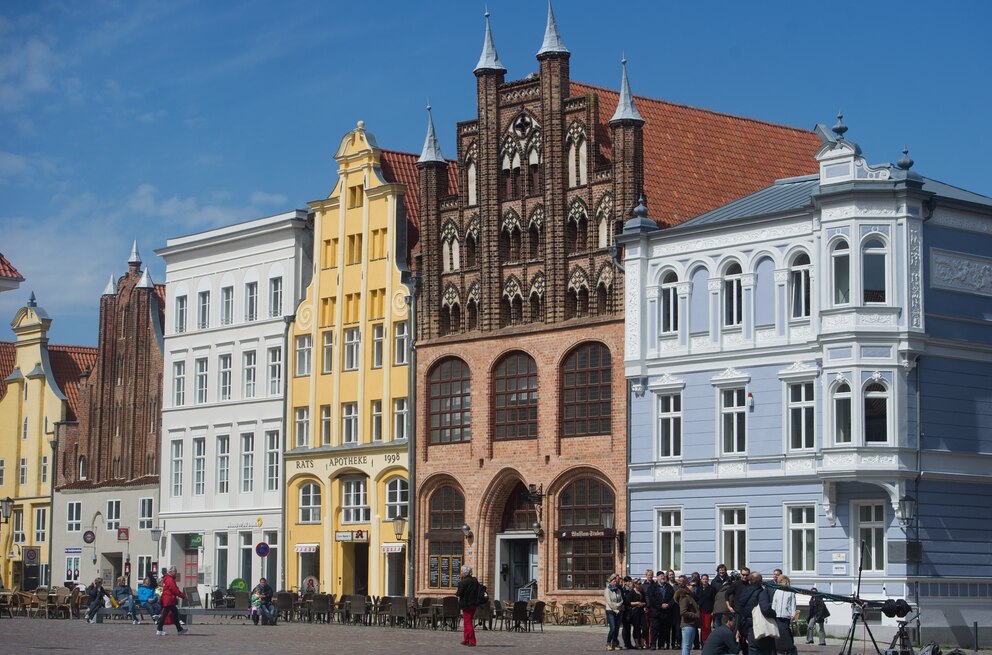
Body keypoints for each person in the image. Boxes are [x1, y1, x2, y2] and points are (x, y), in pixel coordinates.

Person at [736, 572, 776, 655]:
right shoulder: (761, 592)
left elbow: (740, 611)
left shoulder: (744, 592)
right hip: (761, 628)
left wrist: (740, 629)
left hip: (748, 628)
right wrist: (774, 614)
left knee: (753, 651)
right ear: (761, 581)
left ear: (749, 581)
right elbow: (765, 610)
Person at [156, 567, 188, 636]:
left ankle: (179, 629)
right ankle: (159, 629)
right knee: (165, 615)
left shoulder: (168, 579)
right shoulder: (170, 580)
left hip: (170, 600)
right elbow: (174, 590)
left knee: (175, 614)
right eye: (175, 571)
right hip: (169, 599)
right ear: (171, 572)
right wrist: (183, 596)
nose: (176, 573)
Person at [455, 564, 481, 647]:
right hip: (474, 604)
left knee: (468, 622)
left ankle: (472, 641)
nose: (461, 573)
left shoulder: (462, 582)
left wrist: (457, 592)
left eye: (462, 571)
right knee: (467, 622)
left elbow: (459, 594)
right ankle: (466, 639)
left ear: (465, 572)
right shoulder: (475, 581)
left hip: (466, 604)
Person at [771, 575, 797, 655]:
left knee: (786, 631)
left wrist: (793, 614)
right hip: (777, 615)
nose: (783, 584)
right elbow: (774, 602)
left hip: (786, 615)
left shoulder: (790, 592)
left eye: (784, 582)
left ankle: (788, 646)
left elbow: (793, 603)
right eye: (781, 582)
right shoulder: (777, 591)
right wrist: (772, 612)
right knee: (778, 632)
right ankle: (779, 648)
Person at [676, 579, 702, 655]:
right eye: (693, 585)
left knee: (688, 646)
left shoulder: (690, 596)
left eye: (695, 586)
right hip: (687, 624)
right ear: (687, 585)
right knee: (686, 646)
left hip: (692, 624)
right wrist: (696, 615)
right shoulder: (684, 597)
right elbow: (683, 612)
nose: (694, 587)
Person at [604, 574, 624, 650]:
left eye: (616, 581)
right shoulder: (607, 590)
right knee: (612, 628)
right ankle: (608, 643)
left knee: (617, 629)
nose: (615, 583)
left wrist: (618, 605)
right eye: (614, 581)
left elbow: (621, 600)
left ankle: (615, 643)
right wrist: (615, 608)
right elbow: (609, 602)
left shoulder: (618, 590)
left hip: (618, 611)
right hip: (610, 611)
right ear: (610, 581)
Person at [629, 579, 649, 649]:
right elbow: (629, 602)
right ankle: (637, 643)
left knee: (645, 628)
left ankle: (642, 643)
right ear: (635, 584)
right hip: (635, 612)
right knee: (636, 628)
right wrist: (637, 603)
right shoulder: (632, 592)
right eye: (639, 583)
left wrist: (643, 604)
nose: (640, 585)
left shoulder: (641, 592)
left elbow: (645, 601)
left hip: (641, 611)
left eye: (641, 583)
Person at [698, 574, 716, 645]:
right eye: (703, 579)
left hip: (709, 610)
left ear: (708, 580)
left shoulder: (711, 588)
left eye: (706, 579)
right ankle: (702, 642)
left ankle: (707, 642)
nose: (705, 580)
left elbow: (714, 600)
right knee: (702, 627)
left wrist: (713, 610)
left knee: (707, 627)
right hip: (700, 610)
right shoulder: (698, 588)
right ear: (701, 580)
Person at [621, 576, 636, 650]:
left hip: (631, 611)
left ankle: (629, 643)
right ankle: (626, 643)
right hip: (625, 611)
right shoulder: (623, 590)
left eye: (630, 581)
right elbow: (626, 600)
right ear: (625, 582)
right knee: (626, 627)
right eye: (629, 581)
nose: (630, 583)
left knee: (629, 628)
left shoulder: (631, 590)